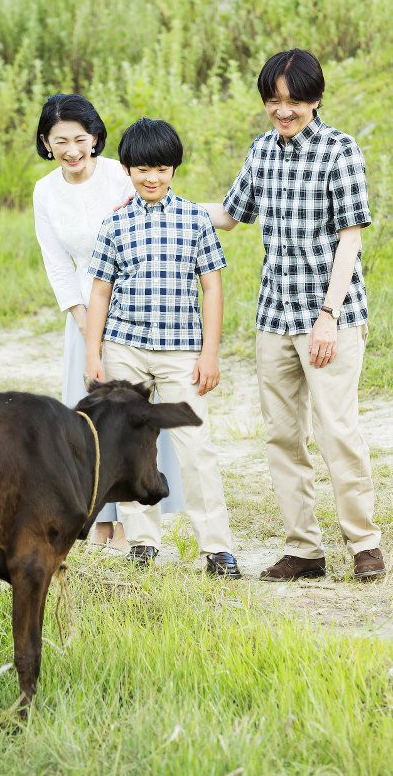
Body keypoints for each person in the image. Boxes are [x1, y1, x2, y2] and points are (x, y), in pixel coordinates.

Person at [204, 49, 384, 581]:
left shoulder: (339, 151)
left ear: (315, 98)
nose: (284, 111)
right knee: (282, 435)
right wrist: (159, 200)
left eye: (294, 101)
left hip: (331, 315)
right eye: (274, 101)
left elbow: (350, 239)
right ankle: (303, 549)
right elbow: (231, 216)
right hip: (274, 317)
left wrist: (328, 315)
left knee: (337, 431)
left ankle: (364, 543)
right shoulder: (261, 151)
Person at [85, 117, 241, 577]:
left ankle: (217, 547)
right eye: (142, 169)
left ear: (174, 169)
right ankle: (143, 541)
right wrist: (94, 354)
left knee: (196, 446)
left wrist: (209, 353)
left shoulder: (194, 219)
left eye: (162, 169)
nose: (152, 178)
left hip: (181, 353)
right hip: (125, 349)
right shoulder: (114, 224)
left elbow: (212, 289)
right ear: (127, 169)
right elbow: (100, 292)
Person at [33, 95, 184, 548]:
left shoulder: (122, 173)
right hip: (83, 307)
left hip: (135, 302)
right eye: (61, 141)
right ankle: (98, 519)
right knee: (88, 416)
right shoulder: (45, 191)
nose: (73, 149)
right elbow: (56, 264)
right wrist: (84, 325)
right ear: (46, 142)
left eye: (81, 139)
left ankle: (131, 525)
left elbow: (159, 212)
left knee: (129, 416)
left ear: (95, 137)